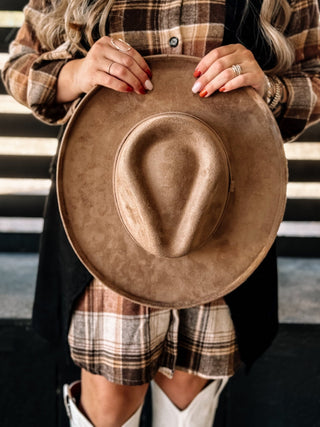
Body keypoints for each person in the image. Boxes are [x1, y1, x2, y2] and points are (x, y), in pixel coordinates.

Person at [2, 0, 320, 426]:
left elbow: (315, 78)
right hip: (108, 230)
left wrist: (270, 89)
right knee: (108, 400)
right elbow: (19, 67)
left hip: (225, 222)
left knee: (191, 395)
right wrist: (76, 74)